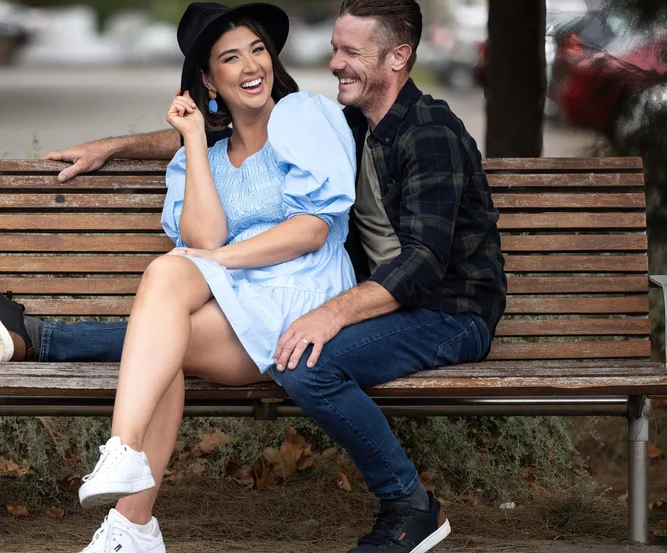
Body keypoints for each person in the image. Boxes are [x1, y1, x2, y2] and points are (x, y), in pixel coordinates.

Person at [44, 1, 508, 552]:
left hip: (448, 311)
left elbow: (423, 264)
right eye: (335, 48)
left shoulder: (424, 131)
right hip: (362, 302)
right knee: (167, 338)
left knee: (305, 365)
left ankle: (411, 505)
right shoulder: (357, 119)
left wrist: (329, 312)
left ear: (398, 58)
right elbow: (235, 128)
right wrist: (119, 146)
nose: (333, 63)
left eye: (349, 52)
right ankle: (132, 525)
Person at [0, 3, 359, 552]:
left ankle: (122, 457)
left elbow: (310, 231)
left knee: (170, 279)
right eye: (230, 58)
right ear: (209, 80)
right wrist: (191, 139)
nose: (251, 65)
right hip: (238, 312)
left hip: (305, 307)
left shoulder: (306, 117)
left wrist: (216, 263)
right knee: (165, 338)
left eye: (257, 49)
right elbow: (204, 240)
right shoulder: (197, 160)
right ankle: (130, 528)